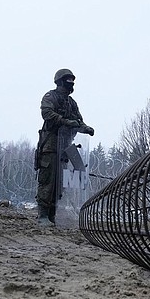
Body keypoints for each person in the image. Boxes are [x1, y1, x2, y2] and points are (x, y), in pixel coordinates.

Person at [34, 69, 94, 226]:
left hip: (65, 147)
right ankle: (43, 215)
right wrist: (66, 122)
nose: (70, 85)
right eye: (67, 81)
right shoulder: (50, 97)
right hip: (51, 146)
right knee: (48, 180)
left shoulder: (71, 103)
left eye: (72, 82)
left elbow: (78, 120)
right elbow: (47, 114)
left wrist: (85, 128)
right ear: (59, 81)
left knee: (59, 183)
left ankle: (53, 215)